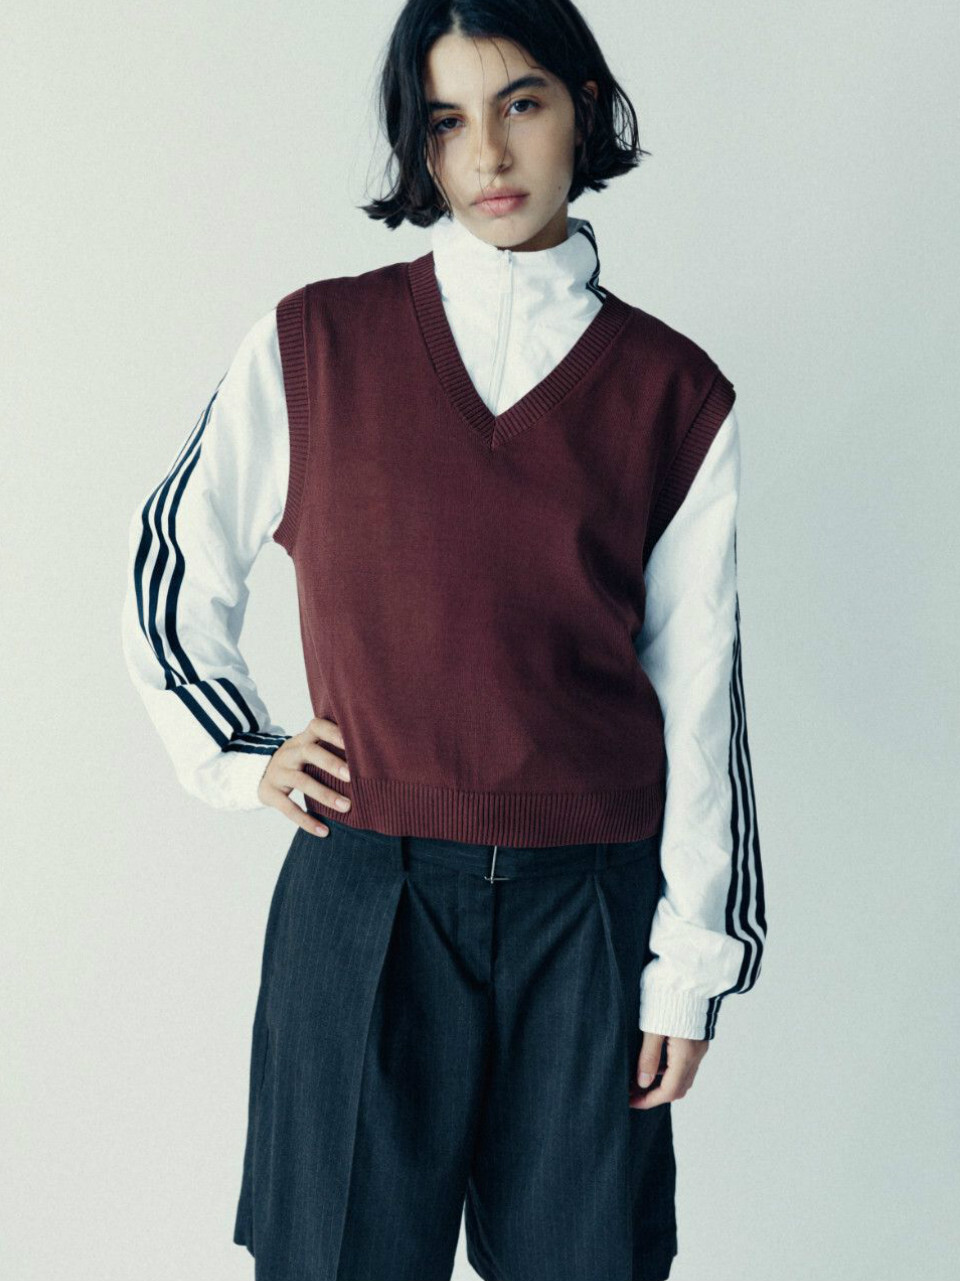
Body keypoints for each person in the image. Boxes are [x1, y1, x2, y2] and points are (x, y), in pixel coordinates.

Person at [120, 2, 767, 1278]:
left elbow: (702, 700)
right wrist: (237, 748)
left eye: (520, 105)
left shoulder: (673, 393)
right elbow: (170, 562)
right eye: (446, 122)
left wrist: (692, 963)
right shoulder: (316, 346)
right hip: (368, 892)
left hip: (589, 914)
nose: (488, 155)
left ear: (584, 106)